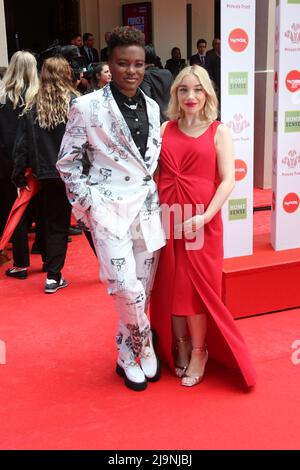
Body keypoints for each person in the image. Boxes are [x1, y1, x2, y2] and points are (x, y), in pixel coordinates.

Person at [56, 26, 165, 391]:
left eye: (138, 64)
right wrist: (89, 206)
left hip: (146, 212)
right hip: (108, 210)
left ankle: (125, 354)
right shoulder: (85, 106)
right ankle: (143, 345)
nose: (131, 71)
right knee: (124, 287)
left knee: (142, 290)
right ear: (109, 63)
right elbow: (67, 163)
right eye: (122, 64)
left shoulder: (151, 105)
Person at [150, 65, 256, 388]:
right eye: (184, 90)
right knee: (169, 285)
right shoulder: (165, 128)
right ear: (176, 95)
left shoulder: (218, 131)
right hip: (168, 220)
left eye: (197, 89)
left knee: (194, 291)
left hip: (201, 223)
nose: (190, 96)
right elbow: (153, 175)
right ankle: (179, 344)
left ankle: (199, 351)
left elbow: (228, 179)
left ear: (207, 93)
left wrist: (206, 216)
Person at [12, 56, 80, 293]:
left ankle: (53, 276)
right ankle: (111, 269)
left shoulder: (33, 105)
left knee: (55, 225)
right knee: (93, 223)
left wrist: (19, 175)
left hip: (48, 174)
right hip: (77, 173)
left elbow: (21, 146)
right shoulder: (76, 103)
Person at [0, 51, 39, 278]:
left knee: (14, 211)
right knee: (41, 210)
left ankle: (21, 262)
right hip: (35, 162)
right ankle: (48, 261)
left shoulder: (3, 98)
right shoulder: (37, 96)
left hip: (7, 162)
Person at [140, 45, 172, 123]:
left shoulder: (145, 76)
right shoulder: (167, 73)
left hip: (156, 121)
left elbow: (147, 99)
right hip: (171, 118)